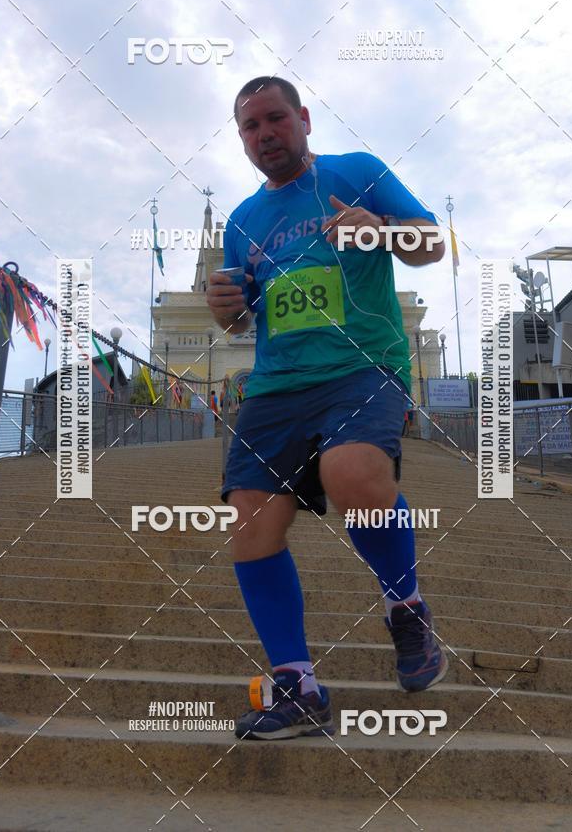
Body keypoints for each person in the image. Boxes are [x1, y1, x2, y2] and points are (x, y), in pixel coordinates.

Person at [206, 76, 448, 741]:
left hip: (360, 365)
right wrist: (224, 311)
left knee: (352, 477)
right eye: (250, 127)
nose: (265, 135)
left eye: (275, 118)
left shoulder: (358, 171)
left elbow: (431, 242)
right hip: (276, 386)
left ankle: (406, 606)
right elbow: (240, 313)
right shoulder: (241, 221)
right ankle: (297, 686)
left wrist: (381, 231)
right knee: (250, 522)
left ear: (304, 118)